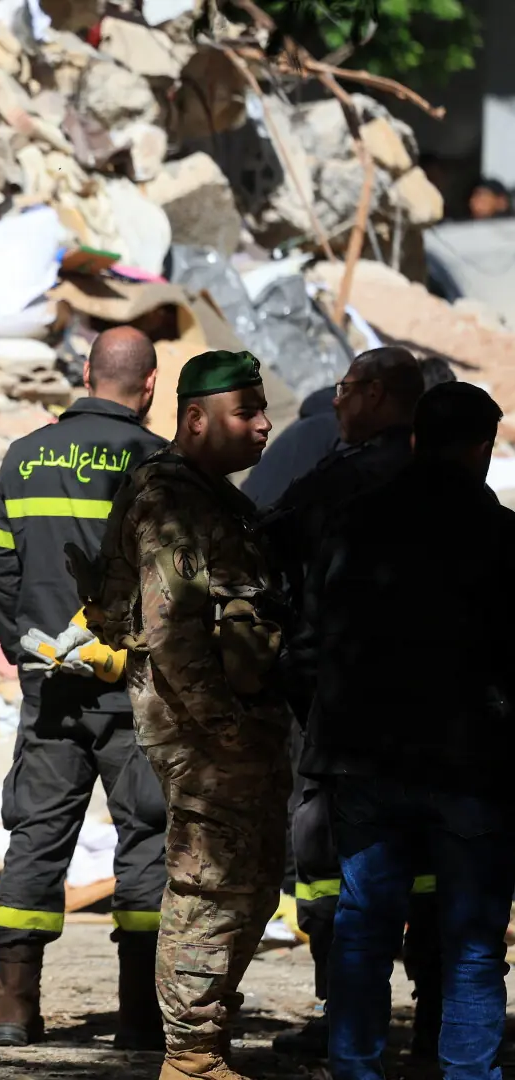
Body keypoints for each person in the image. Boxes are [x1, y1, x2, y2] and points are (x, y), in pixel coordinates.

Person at [76, 350, 291, 1080]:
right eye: (246, 413)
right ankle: (191, 1055)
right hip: (205, 732)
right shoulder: (171, 499)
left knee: (252, 880)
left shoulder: (214, 497)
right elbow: (169, 632)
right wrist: (221, 729)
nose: (264, 426)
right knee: (208, 882)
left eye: (263, 410)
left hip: (237, 726)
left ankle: (208, 1043)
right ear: (195, 419)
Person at [301, 382, 515, 1080]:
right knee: (474, 942)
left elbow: (309, 639)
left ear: (416, 437)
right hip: (471, 764)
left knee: (364, 926)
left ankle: (355, 1069)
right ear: (482, 447)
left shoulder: (353, 521)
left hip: (365, 761)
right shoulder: (502, 536)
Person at [0, 326, 169, 1050]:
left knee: (36, 835)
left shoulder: (25, 455)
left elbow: (0, 568)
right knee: (148, 836)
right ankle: (141, 1019)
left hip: (50, 687)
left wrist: (24, 651)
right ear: (150, 386)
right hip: (135, 694)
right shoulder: (156, 464)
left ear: (86, 372)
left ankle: (15, 1010)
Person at [261, 348, 442, 1059]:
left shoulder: (340, 480)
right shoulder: (458, 486)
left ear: (375, 395)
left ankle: (346, 1020)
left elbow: (267, 543)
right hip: (440, 716)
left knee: (331, 858)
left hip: (345, 710)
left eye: (345, 390)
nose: (335, 403)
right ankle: (438, 1024)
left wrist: (288, 667)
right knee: (433, 864)